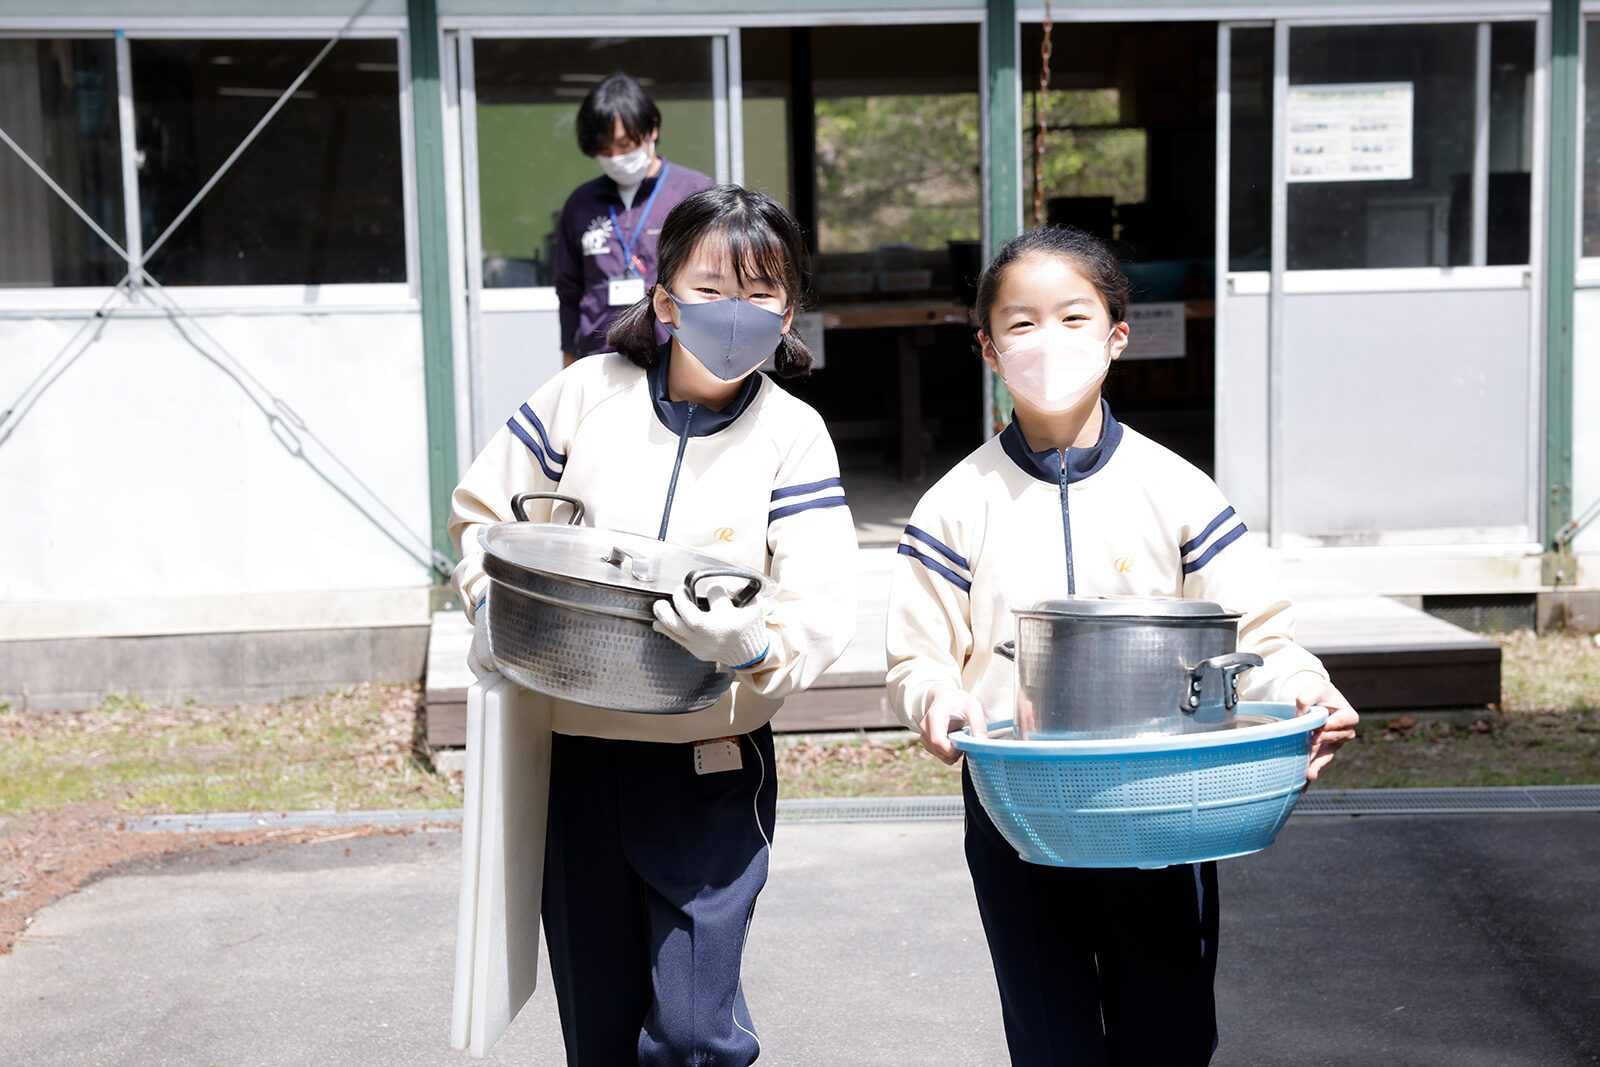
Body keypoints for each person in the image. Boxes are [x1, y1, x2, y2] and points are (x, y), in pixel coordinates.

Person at [884, 225, 1360, 1066]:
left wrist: (1306, 685)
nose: (1049, 341)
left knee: (1168, 1033)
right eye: (1021, 323)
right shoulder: (955, 506)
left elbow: (1258, 633)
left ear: (1116, 337)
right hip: (1019, 810)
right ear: (988, 348)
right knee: (1050, 1037)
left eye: (1073, 317)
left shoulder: (1176, 487)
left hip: (1161, 804)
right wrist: (936, 697)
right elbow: (916, 657)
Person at [450, 184, 857, 1067]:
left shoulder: (794, 434)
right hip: (573, 757)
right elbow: (482, 517)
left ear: (789, 313)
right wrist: (492, 604)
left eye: (762, 291)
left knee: (694, 1034)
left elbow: (822, 595)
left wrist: (752, 647)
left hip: (708, 767)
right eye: (712, 287)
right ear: (664, 294)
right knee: (598, 1026)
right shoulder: (585, 392)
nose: (735, 311)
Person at [554, 72, 715, 367]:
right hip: (600, 362)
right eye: (604, 150)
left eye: (625, 144)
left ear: (651, 128)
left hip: (677, 364)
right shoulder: (581, 203)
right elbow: (569, 290)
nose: (615, 157)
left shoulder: (694, 192)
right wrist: (569, 363)